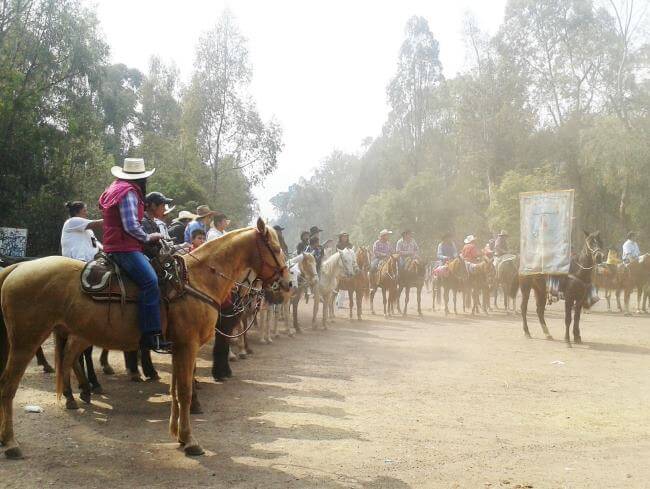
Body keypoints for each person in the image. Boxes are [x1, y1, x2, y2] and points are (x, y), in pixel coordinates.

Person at [98, 157, 170, 353]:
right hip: (124, 247)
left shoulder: (116, 188)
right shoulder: (129, 192)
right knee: (150, 281)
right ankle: (150, 334)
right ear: (141, 179)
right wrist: (148, 237)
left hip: (117, 245)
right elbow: (130, 226)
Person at [61, 201, 104, 392]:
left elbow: (98, 247)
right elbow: (97, 222)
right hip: (76, 266)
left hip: (90, 266)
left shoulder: (88, 232)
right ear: (78, 211)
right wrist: (114, 217)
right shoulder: (73, 222)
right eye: (85, 209)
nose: (87, 212)